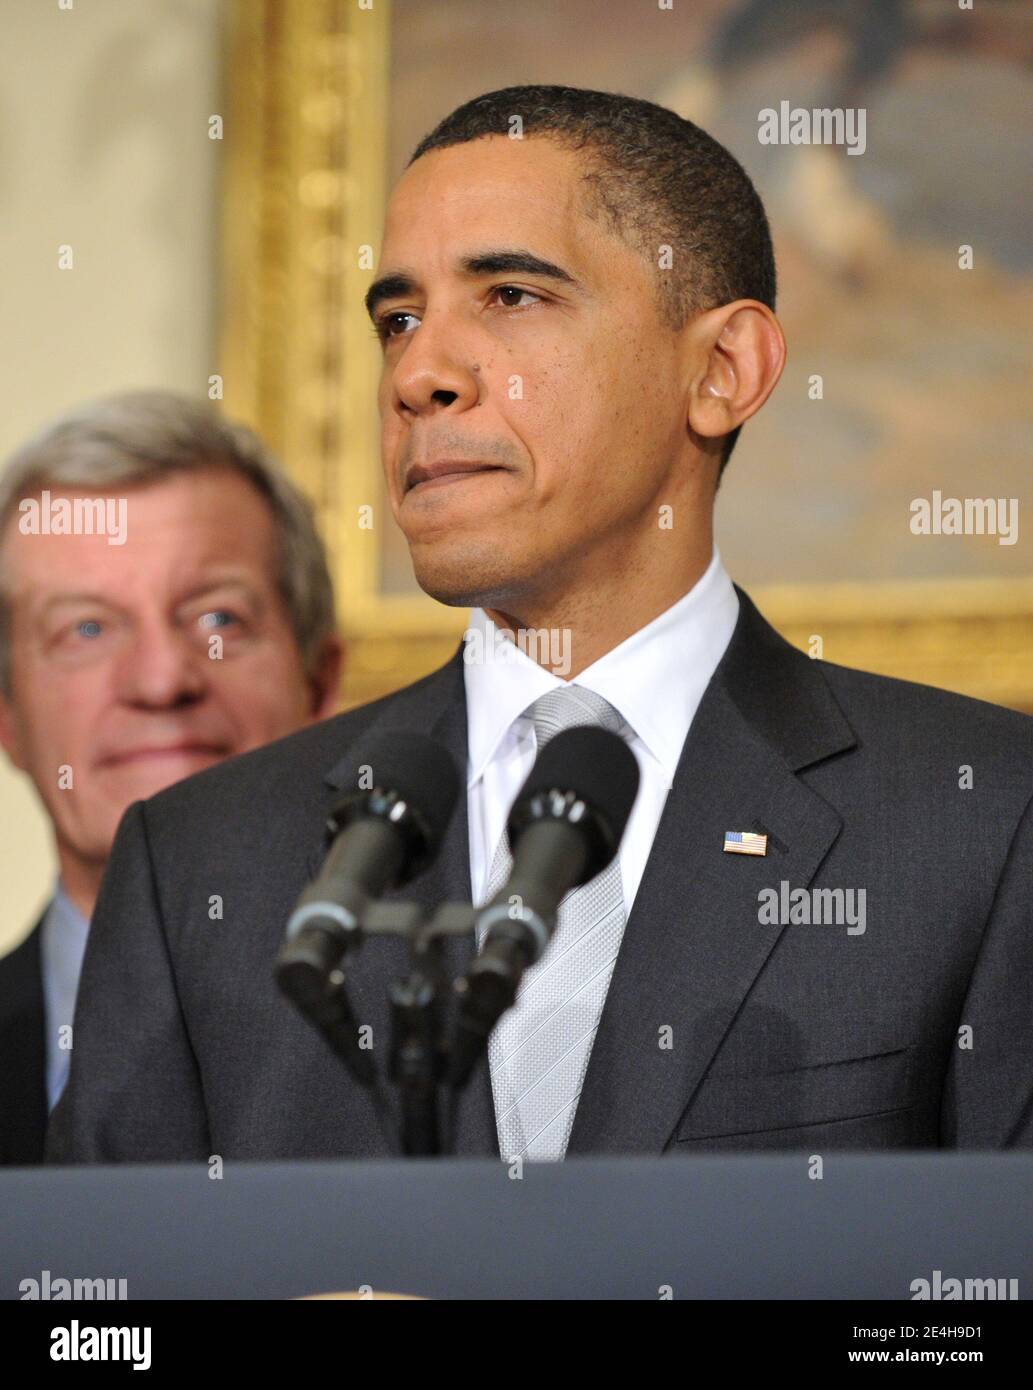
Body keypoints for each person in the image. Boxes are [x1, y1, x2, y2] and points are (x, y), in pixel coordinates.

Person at [48, 88, 1033, 1165]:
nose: (420, 374)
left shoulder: (979, 825)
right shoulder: (198, 861)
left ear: (722, 370)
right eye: (398, 320)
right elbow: (100, 1318)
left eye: (510, 295)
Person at [0, 391, 342, 1163]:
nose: (161, 681)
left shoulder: (466, 1041)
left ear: (321, 685)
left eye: (218, 618)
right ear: (8, 717)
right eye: (85, 629)